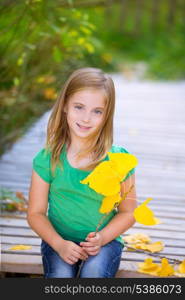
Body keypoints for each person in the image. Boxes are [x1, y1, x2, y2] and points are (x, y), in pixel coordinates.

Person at [27, 67, 137, 278]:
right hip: (58, 240)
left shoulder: (119, 160)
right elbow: (35, 213)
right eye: (79, 107)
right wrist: (59, 244)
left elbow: (128, 212)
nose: (86, 118)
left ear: (107, 115)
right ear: (65, 105)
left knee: (93, 273)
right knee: (60, 277)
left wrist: (103, 238)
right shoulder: (47, 159)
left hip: (104, 243)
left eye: (97, 111)